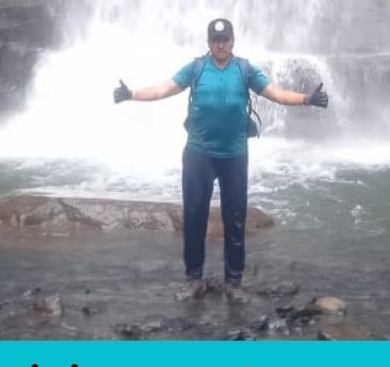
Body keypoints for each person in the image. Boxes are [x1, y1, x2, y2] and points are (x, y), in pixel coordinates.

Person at [113, 17, 329, 303]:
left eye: (225, 39)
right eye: (216, 40)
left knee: (235, 218)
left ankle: (234, 283)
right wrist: (131, 94)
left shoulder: (245, 69)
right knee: (194, 218)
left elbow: (275, 93)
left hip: (234, 155)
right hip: (198, 155)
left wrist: (307, 99)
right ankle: (194, 280)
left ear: (233, 41)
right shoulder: (196, 67)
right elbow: (164, 89)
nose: (220, 44)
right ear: (208, 43)